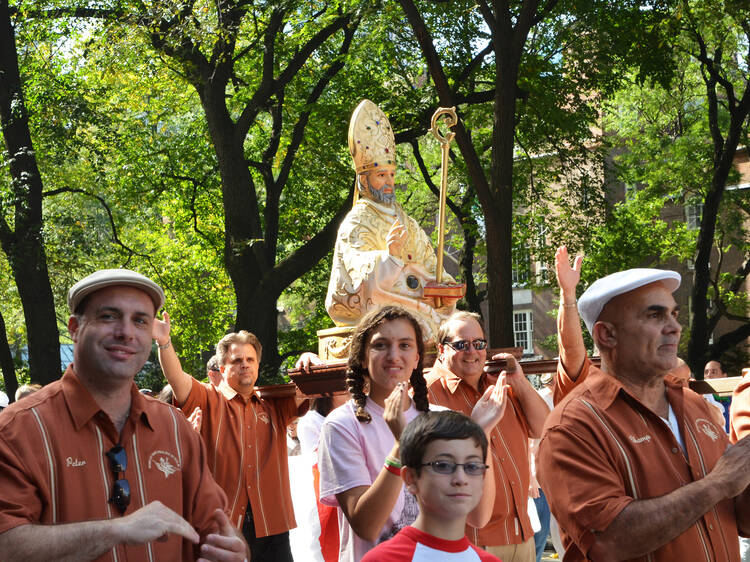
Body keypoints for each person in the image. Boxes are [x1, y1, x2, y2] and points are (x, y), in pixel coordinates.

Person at [0, 269, 246, 561]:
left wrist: (235, 547)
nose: (126, 332)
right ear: (75, 327)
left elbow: (218, 524)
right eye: (108, 316)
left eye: (140, 321)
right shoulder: (17, 430)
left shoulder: (175, 428)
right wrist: (115, 530)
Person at [539, 267, 750, 561]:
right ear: (607, 334)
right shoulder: (572, 426)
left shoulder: (695, 405)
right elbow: (609, 542)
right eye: (655, 315)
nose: (675, 327)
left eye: (674, 314)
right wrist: (717, 484)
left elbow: (742, 519)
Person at [318, 305, 505, 561]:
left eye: (405, 345)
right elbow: (366, 526)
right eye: (381, 345)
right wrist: (401, 444)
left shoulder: (441, 419)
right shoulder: (342, 424)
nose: (394, 355)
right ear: (362, 356)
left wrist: (481, 433)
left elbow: (479, 517)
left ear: (418, 357)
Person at [155, 314, 307, 562]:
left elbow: (312, 388)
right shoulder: (206, 397)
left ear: (258, 365)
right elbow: (176, 377)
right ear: (223, 369)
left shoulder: (274, 405)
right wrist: (164, 342)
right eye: (237, 360)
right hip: (222, 523)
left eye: (250, 359)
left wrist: (308, 359)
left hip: (272, 523)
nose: (245, 364)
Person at [326, 100, 461, 343]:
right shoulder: (357, 221)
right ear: (364, 181)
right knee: (425, 329)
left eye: (391, 174)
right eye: (381, 175)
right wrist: (390, 256)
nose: (389, 182)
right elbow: (357, 276)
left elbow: (430, 263)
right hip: (381, 311)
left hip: (415, 302)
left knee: (458, 328)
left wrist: (443, 286)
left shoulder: (406, 221)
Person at [426, 311, 550, 562]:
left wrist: (520, 382)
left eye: (479, 344)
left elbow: (545, 428)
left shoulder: (501, 385)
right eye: (461, 345)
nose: (472, 352)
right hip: (469, 542)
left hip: (521, 535)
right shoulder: (427, 394)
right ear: (442, 349)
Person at [361, 410, 501, 562]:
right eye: (443, 465)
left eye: (472, 466)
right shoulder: (383, 559)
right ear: (411, 478)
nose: (461, 479)